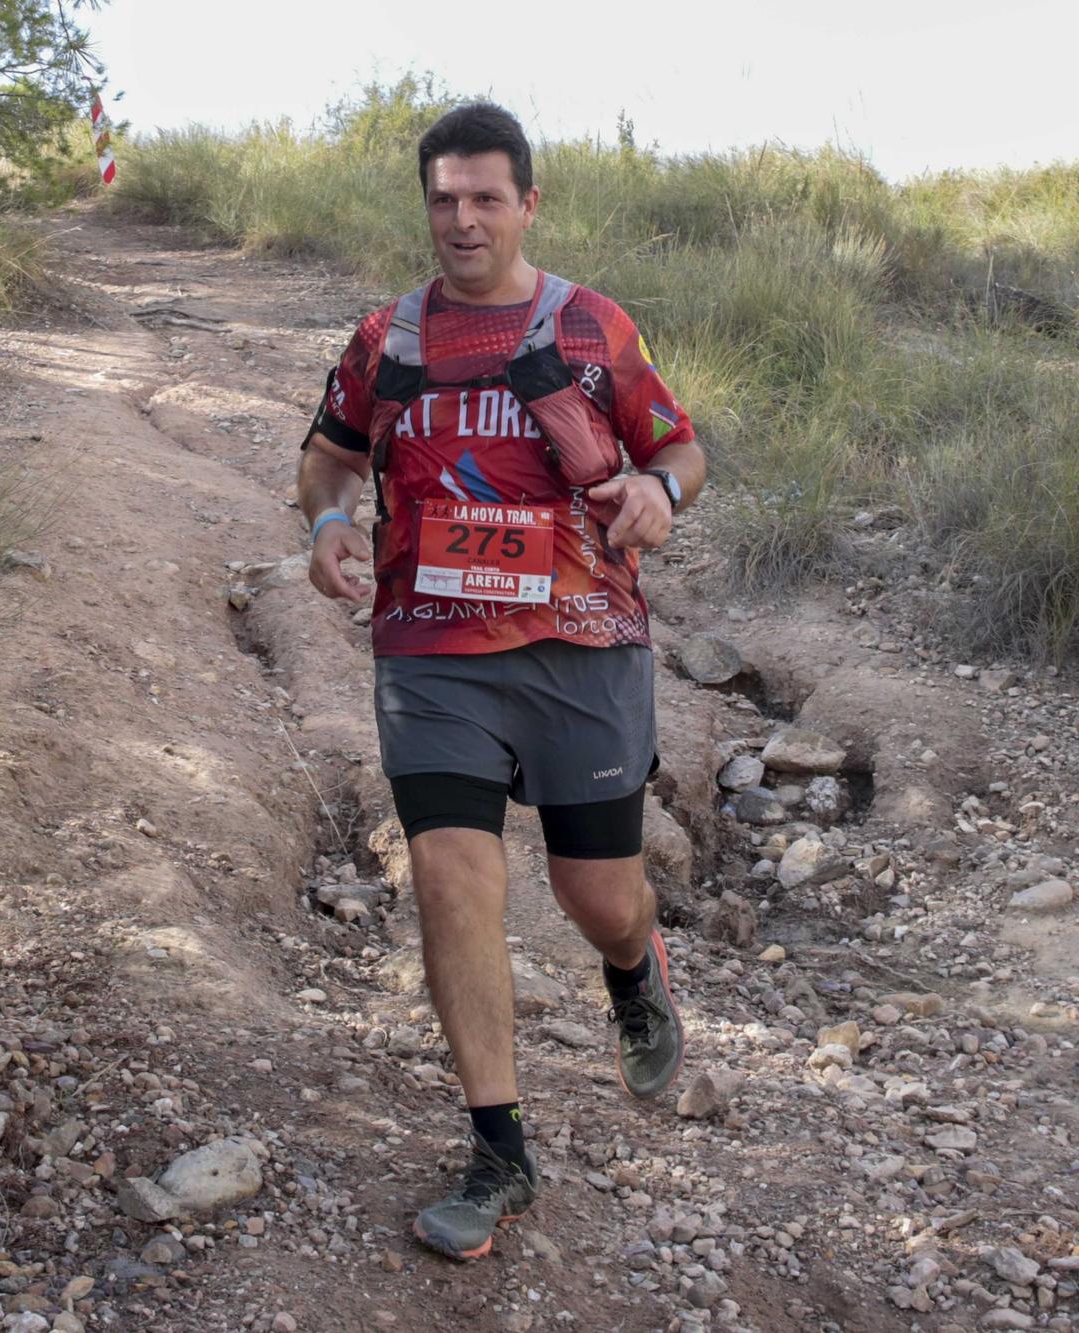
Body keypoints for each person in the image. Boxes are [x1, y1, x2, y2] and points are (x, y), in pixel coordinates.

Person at [296, 101, 706, 1261]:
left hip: (580, 648)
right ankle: (498, 1150)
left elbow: (679, 446)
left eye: (484, 197)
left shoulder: (590, 327)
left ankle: (634, 967)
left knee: (598, 896)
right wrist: (327, 523)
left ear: (527, 204)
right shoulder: (387, 339)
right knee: (451, 875)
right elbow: (326, 454)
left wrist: (655, 498)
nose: (461, 218)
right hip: (429, 649)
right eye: (442, 198)